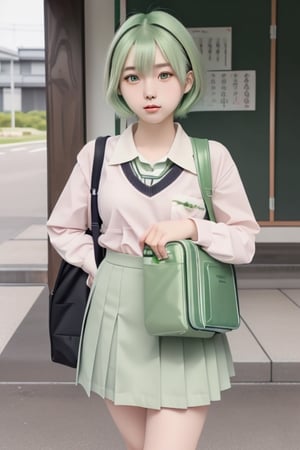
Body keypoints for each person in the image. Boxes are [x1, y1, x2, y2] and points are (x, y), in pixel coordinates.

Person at [47, 10, 260, 450]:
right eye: (132, 77)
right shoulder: (98, 156)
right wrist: (97, 266)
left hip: (184, 315)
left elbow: (243, 241)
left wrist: (192, 228)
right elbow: (63, 227)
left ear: (186, 80)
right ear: (118, 86)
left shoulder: (210, 157)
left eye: (163, 74)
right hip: (116, 310)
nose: (148, 90)